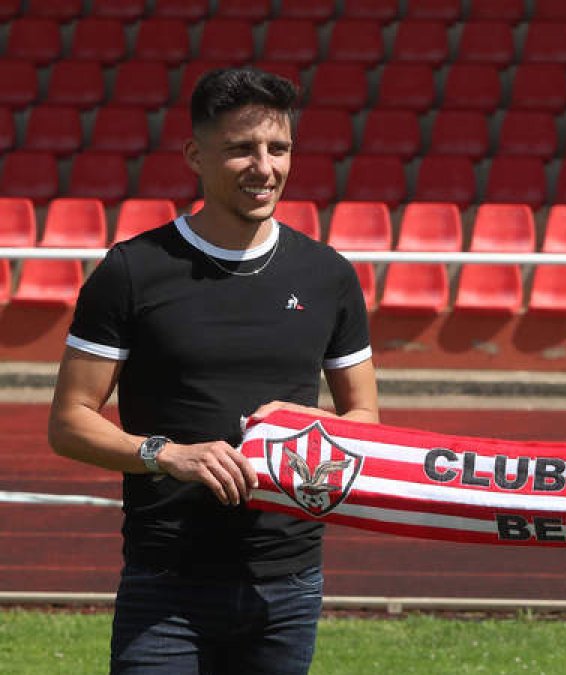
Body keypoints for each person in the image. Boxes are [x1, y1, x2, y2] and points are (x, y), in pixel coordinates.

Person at [47, 67, 379, 674]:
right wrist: (165, 454)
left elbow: (365, 416)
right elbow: (68, 422)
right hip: (167, 582)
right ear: (195, 155)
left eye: (278, 148)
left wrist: (320, 425)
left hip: (287, 583)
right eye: (240, 150)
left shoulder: (329, 275)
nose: (265, 168)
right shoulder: (132, 271)